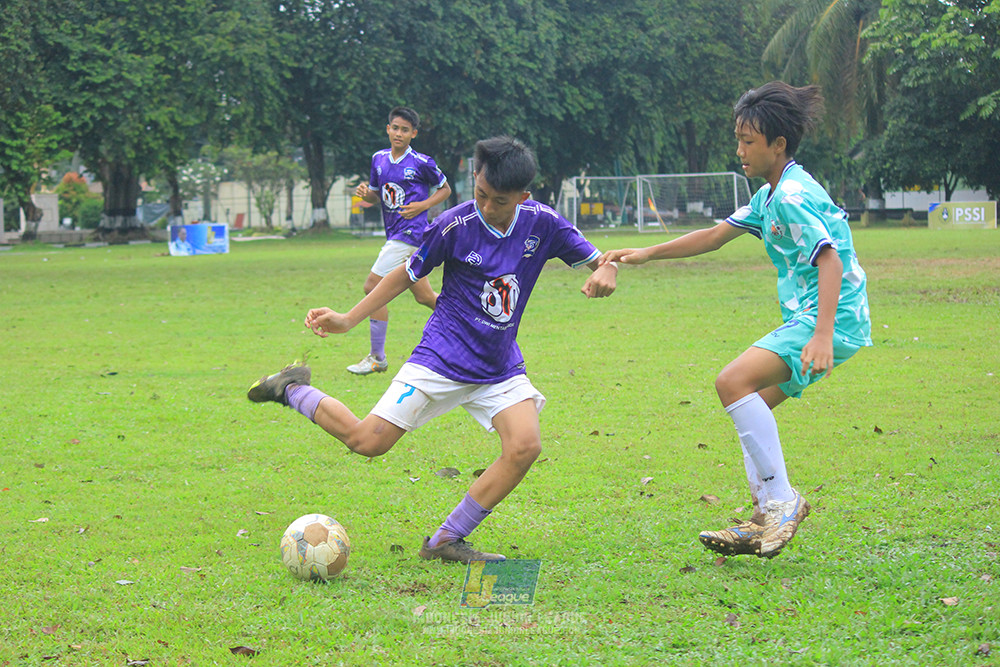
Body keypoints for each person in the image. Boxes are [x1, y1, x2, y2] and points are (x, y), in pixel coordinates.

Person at [249, 136, 619, 564]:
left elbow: (602, 259)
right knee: (366, 442)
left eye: (499, 201)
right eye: (479, 193)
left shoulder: (544, 223)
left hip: (498, 365)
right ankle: (291, 388)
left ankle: (445, 540)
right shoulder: (453, 225)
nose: (486, 207)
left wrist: (607, 269)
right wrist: (349, 319)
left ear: (523, 197)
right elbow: (404, 274)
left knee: (524, 446)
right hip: (441, 358)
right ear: (473, 180)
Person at [601, 82, 872, 558]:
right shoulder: (771, 195)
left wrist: (823, 334)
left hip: (830, 315)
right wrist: (645, 253)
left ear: (777, 144)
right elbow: (713, 235)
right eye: (738, 139)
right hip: (821, 316)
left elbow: (828, 258)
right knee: (753, 406)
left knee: (731, 382)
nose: (740, 150)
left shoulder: (790, 195)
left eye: (749, 141)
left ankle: (784, 502)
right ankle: (764, 516)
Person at [349, 106, 453, 376]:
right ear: (388, 129)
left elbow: (445, 189)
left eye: (405, 130)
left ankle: (377, 357)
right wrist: (364, 194)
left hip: (411, 234)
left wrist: (423, 206)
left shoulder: (421, 162)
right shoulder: (379, 159)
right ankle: (472, 321)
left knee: (373, 286)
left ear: (413, 134)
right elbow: (374, 197)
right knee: (425, 296)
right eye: (395, 128)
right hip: (395, 233)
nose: (399, 133)